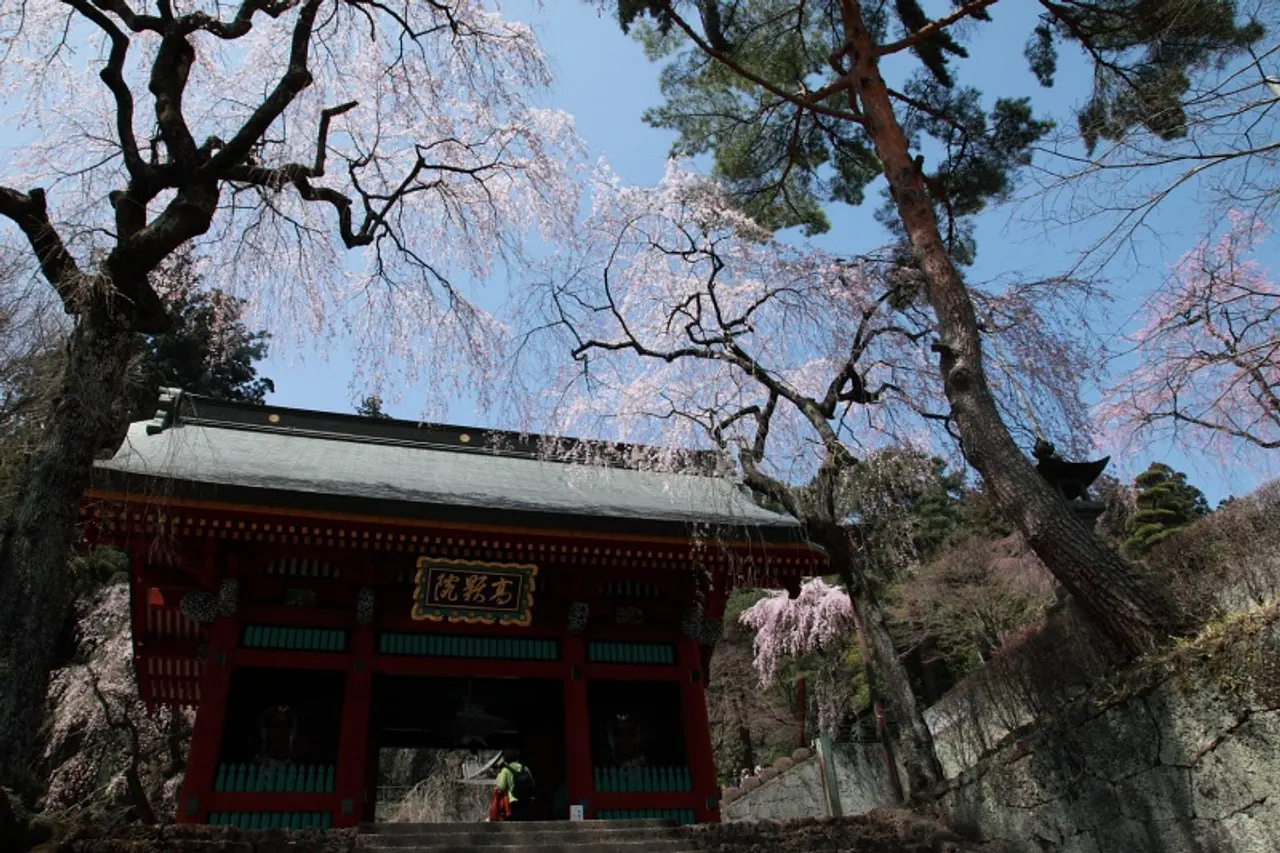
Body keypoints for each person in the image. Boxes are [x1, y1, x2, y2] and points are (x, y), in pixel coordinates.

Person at [493, 749, 535, 822]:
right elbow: (532, 784)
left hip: (512, 804)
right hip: (526, 803)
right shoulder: (525, 768)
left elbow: (501, 789)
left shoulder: (505, 770)